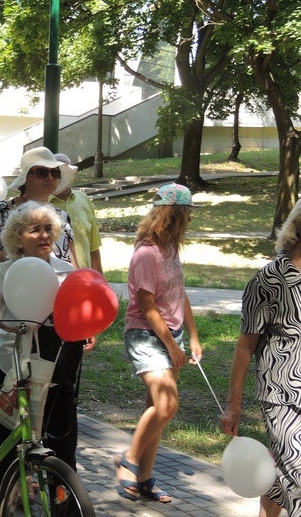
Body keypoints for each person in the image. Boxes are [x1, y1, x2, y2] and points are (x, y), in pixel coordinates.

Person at [0, 201, 81, 514]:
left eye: (49, 228)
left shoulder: (67, 272)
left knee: (63, 456)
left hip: (57, 373)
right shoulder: (6, 269)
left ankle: (67, 511)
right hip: (12, 371)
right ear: (18, 237)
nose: (44, 234)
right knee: (3, 455)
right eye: (35, 229)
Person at [116, 183, 202, 504]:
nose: (190, 221)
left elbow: (180, 293)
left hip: (171, 336)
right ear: (173, 215)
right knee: (167, 404)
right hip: (146, 335)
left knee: (158, 410)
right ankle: (128, 460)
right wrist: (172, 345)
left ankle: (145, 479)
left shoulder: (170, 250)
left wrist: (191, 337)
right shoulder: (146, 254)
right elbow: (148, 307)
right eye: (187, 214)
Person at [221, 199, 301, 517]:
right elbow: (245, 345)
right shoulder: (268, 281)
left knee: (283, 468)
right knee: (297, 468)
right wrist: (234, 403)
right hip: (280, 393)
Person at [0, 146, 78, 273]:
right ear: (25, 178)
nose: (49, 178)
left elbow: (73, 266)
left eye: (55, 173)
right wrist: (19, 254)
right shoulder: (3, 211)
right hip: (14, 289)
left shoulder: (63, 217)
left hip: (56, 290)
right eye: (42, 172)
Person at [50, 153, 104, 273]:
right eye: (56, 172)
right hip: (54, 278)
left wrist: (101, 280)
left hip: (84, 279)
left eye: (65, 172)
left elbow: (94, 247)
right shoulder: (41, 204)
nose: (61, 176)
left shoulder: (83, 199)